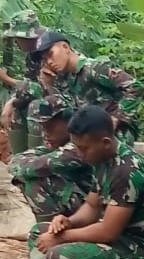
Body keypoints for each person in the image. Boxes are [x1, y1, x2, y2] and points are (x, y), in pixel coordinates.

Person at [0, 106, 144, 259]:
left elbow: (108, 232)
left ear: (105, 142)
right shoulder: (102, 160)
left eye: (83, 148)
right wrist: (68, 222)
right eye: (76, 147)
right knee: (39, 232)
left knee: (58, 257)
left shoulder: (126, 171)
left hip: (136, 250)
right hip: (118, 238)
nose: (79, 153)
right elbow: (91, 206)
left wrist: (62, 237)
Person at [31, 31, 144, 144]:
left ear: (65, 47)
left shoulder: (94, 68)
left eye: (51, 54)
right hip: (87, 132)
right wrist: (49, 86)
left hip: (116, 132)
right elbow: (64, 111)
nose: (49, 62)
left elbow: (135, 86)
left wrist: (115, 119)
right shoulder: (64, 78)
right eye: (45, 59)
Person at [9, 93, 93, 223]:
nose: (45, 132)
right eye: (42, 127)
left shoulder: (80, 143)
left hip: (95, 208)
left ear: (68, 120)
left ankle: (50, 232)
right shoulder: (59, 142)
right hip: (81, 201)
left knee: (37, 181)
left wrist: (24, 167)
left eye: (50, 126)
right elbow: (16, 161)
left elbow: (41, 166)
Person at [0, 11, 54, 153]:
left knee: (35, 107)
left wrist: (6, 79)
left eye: (18, 39)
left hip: (64, 101)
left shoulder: (50, 52)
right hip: (48, 100)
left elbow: (41, 88)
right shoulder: (33, 55)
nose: (17, 43)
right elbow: (29, 82)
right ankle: (22, 163)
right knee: (20, 107)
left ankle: (37, 163)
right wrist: (12, 102)